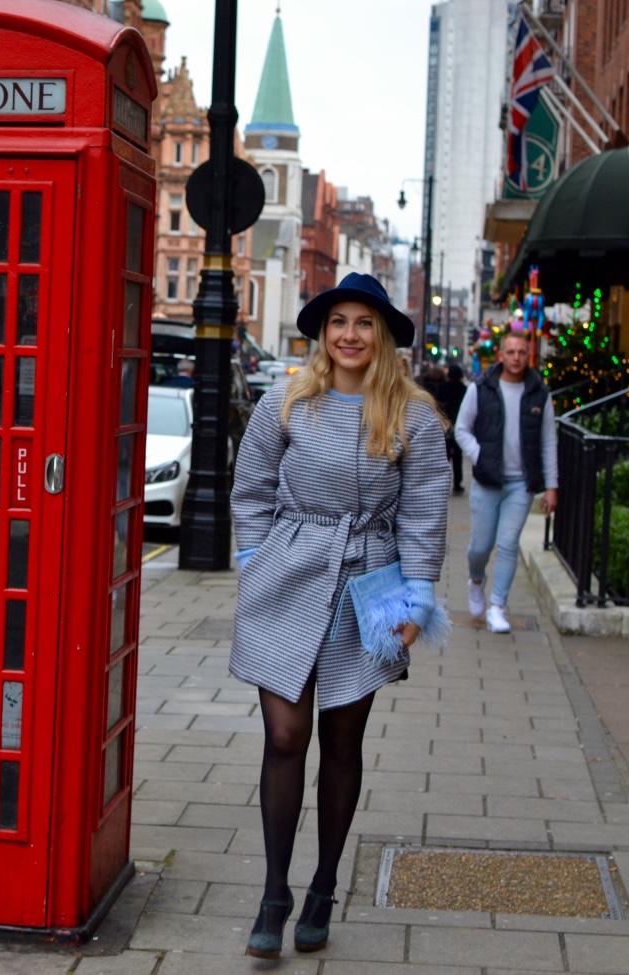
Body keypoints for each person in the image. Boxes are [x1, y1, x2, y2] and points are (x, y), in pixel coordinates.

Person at [230, 273, 450, 958]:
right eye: (338, 322)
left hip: (370, 580)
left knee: (343, 740)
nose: (349, 335)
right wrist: (255, 559)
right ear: (323, 333)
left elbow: (425, 510)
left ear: (381, 336)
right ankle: (274, 892)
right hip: (290, 571)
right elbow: (250, 487)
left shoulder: (413, 415)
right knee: (284, 735)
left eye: (363, 323)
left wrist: (418, 596)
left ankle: (323, 885)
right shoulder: (286, 401)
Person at [454, 330, 558, 633]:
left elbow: (548, 441)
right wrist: (480, 456)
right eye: (510, 352)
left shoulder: (539, 392)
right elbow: (461, 429)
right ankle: (476, 580)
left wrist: (552, 486)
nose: (516, 358)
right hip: (487, 481)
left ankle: (497, 607)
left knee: (509, 543)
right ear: (501, 355)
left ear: (529, 355)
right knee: (480, 547)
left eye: (522, 352)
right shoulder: (481, 387)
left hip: (520, 484)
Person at [438, 364, 467, 493]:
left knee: (445, 456)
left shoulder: (443, 388)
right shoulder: (463, 389)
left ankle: (444, 483)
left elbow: (438, 406)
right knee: (458, 456)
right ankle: (457, 483)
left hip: (445, 425)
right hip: (459, 425)